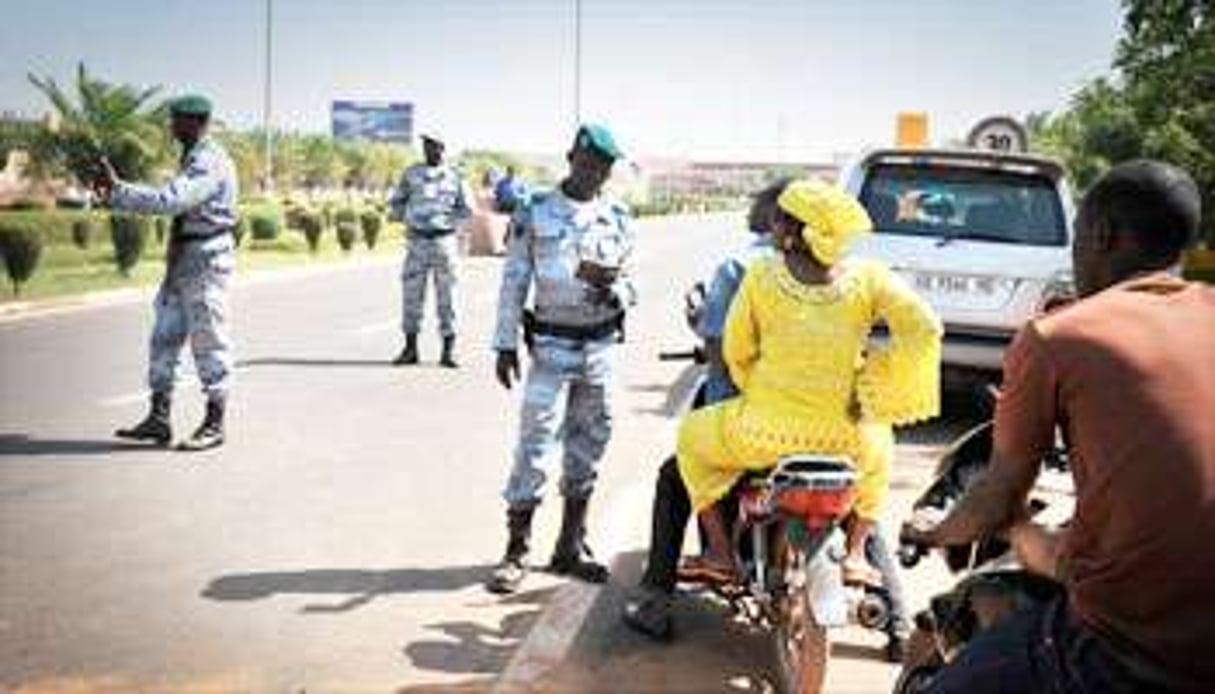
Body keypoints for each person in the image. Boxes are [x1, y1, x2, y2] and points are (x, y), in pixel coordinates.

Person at [901, 160, 1215, 693]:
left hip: (1131, 648)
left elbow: (995, 503)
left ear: (1102, 234)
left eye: (1075, 240)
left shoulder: (1059, 335)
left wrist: (932, 531)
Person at [677, 179, 942, 587]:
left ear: (788, 229)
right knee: (880, 454)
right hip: (847, 441)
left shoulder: (762, 274)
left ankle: (719, 553)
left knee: (691, 438)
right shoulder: (869, 277)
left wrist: (759, 385)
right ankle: (854, 556)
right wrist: (878, 384)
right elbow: (925, 328)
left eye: (778, 217)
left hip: (762, 433)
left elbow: (736, 350)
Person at [486, 124, 635, 594]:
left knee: (589, 445)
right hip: (550, 346)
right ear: (571, 158)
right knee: (534, 444)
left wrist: (617, 288)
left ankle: (570, 546)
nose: (595, 174)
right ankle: (517, 550)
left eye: (604, 168)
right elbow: (514, 280)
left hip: (601, 346)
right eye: (588, 164)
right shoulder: (535, 210)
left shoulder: (618, 215)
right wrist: (505, 342)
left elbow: (633, 283)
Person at [97, 94, 239, 451]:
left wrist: (120, 191)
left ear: (196, 121)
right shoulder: (191, 156)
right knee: (164, 337)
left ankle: (214, 422)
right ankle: (159, 418)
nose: (171, 126)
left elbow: (171, 201)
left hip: (206, 258)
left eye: (176, 120)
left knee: (208, 339)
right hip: (184, 258)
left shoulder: (208, 161)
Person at [388, 132, 471, 368]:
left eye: (433, 146)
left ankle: (449, 351)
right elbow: (396, 202)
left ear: (443, 149)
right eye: (425, 146)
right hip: (416, 242)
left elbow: (467, 209)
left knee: (449, 298)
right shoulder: (411, 173)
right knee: (411, 296)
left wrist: (446, 222)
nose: (428, 150)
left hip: (443, 242)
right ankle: (410, 348)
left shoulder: (456, 176)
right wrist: (409, 217)